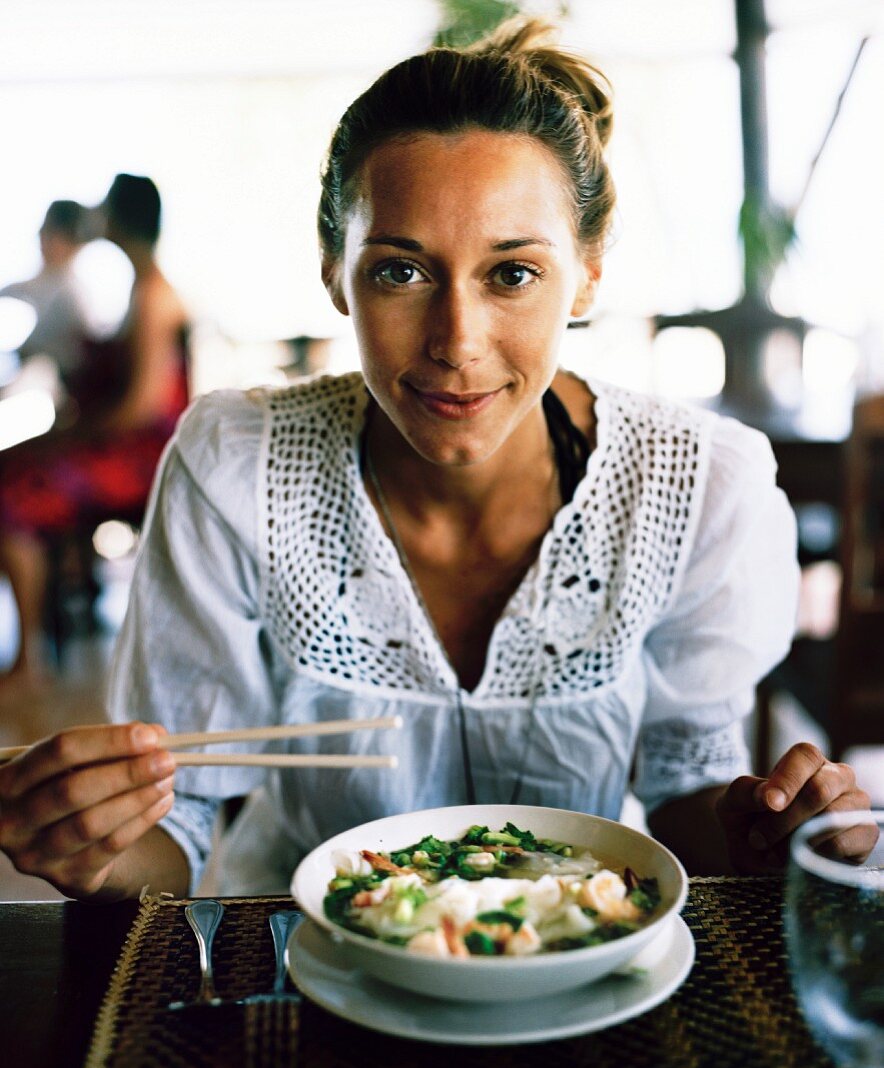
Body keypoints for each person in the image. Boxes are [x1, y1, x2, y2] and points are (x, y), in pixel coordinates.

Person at [0, 20, 874, 901]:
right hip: (306, 955)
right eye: (401, 273)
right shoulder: (237, 466)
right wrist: (94, 851)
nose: (457, 342)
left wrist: (764, 832)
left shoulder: (694, 485)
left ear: (590, 272)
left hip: (583, 943)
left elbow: (689, 781)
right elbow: (176, 825)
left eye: (513, 274)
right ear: (335, 270)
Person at [0, 174, 189, 692]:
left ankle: (30, 656)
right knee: (13, 461)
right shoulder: (138, 287)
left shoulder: (154, 294)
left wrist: (72, 434)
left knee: (12, 488)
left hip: (142, 459)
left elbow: (141, 408)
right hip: (124, 448)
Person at [0, 199, 97, 378]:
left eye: (52, 232)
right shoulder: (38, 283)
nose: (42, 237)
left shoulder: (74, 295)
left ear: (72, 242)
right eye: (44, 230)